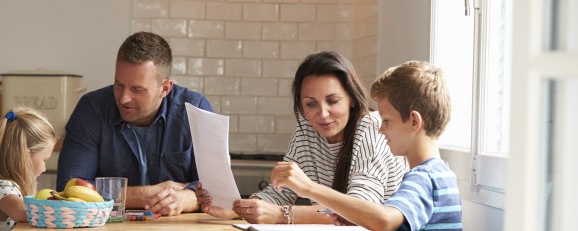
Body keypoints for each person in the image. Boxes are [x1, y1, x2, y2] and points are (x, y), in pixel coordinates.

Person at [196, 51, 408, 224]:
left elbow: (359, 210)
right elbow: (280, 193)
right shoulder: (306, 130)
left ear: (352, 99)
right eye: (311, 104)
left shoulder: (371, 127)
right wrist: (238, 209)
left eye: (333, 101)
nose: (322, 114)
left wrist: (281, 215)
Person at [270, 60, 463, 230]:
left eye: (386, 121)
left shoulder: (425, 179)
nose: (380, 130)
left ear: (414, 121)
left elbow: (384, 221)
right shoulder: (438, 175)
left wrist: (309, 188)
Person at [56, 31, 212, 216]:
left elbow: (216, 190)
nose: (123, 98)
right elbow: (68, 190)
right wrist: (145, 195)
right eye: (119, 85)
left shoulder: (196, 110)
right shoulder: (91, 110)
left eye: (137, 89)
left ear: (165, 88)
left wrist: (188, 198)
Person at [0, 107, 56, 230]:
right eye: (44, 160)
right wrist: (65, 211)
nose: (44, 168)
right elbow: (23, 213)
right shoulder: (0, 188)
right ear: (25, 156)